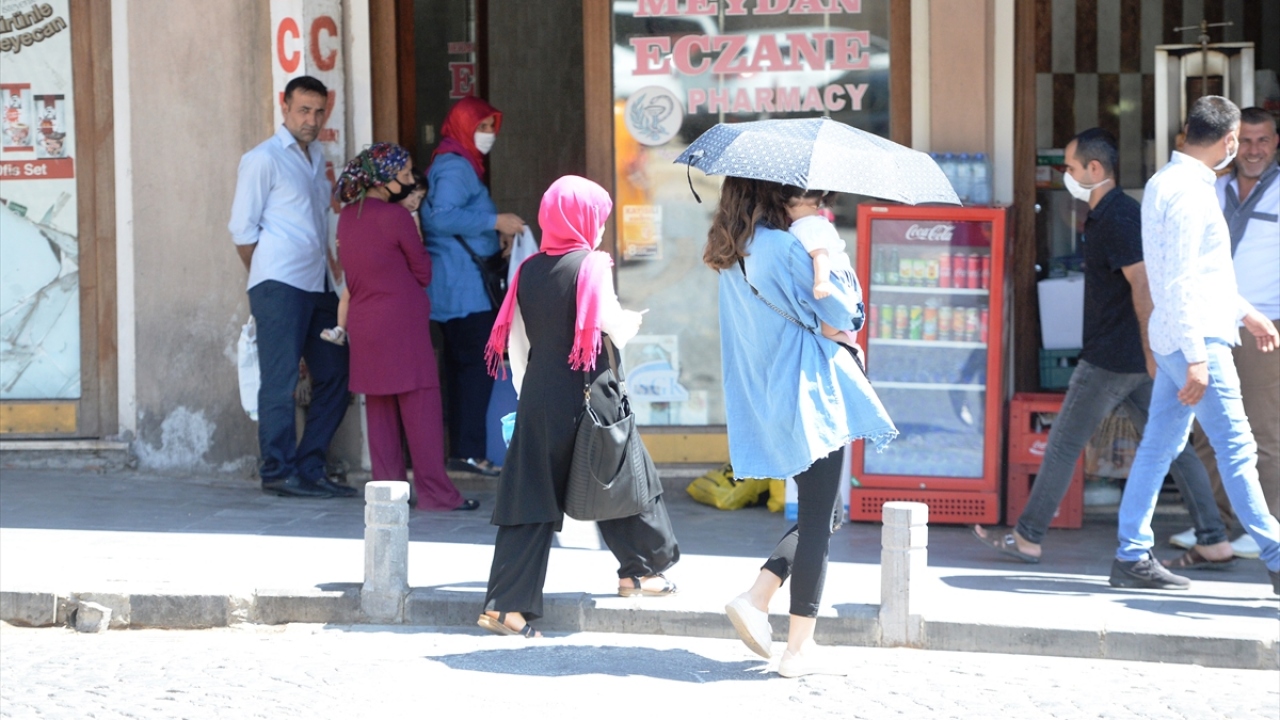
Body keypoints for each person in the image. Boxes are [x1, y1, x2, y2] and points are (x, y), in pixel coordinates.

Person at [972, 128, 1232, 567]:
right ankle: (1213, 538)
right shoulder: (1108, 214)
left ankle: (1029, 536)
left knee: (1065, 443)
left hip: (1113, 356)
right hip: (1132, 356)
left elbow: (1143, 282)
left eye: (1071, 168)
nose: (1067, 176)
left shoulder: (1117, 216)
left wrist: (1151, 352)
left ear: (1094, 169)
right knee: (1172, 443)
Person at [706, 177, 896, 677]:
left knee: (826, 512)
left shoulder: (735, 250)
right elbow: (846, 312)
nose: (817, 205)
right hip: (807, 394)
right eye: (811, 197)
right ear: (776, 195)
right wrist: (829, 249)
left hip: (765, 392)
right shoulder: (789, 248)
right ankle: (798, 647)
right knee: (818, 522)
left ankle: (758, 595)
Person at [476, 175, 679, 638]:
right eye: (600, 218)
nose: (602, 227)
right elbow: (610, 327)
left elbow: (518, 344)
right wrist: (631, 320)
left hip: (541, 393)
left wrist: (532, 398)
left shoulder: (526, 271)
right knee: (622, 474)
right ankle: (644, 570)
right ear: (585, 219)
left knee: (530, 498)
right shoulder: (592, 264)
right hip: (591, 388)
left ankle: (506, 605)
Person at [1112, 96, 1279, 594]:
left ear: (1188, 131)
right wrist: (1199, 357)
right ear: (1229, 142)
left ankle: (1130, 553)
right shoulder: (1190, 192)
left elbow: (1197, 275)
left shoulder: (1171, 182)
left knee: (1160, 446)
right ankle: (1275, 555)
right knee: (1237, 450)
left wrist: (1246, 314)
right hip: (1194, 338)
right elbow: (1183, 280)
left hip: (1182, 335)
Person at [332, 144, 477, 512]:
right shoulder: (396, 217)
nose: (411, 181)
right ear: (385, 177)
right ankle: (437, 493)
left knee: (379, 412)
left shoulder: (347, 217)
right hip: (402, 324)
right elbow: (423, 272)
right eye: (407, 174)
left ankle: (388, 495)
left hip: (365, 325)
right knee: (421, 408)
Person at [228, 75, 354, 499]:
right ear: (284, 107)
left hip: (318, 284)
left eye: (319, 111)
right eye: (303, 110)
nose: (312, 119)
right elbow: (242, 232)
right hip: (279, 284)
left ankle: (310, 465)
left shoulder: (316, 157)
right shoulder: (262, 159)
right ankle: (277, 471)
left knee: (337, 372)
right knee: (279, 380)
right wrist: (267, 274)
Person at [1169, 107, 1280, 561]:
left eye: (1263, 141)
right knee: (1207, 431)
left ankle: (1267, 526)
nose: (1253, 150)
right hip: (1210, 322)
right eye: (1246, 141)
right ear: (1232, 143)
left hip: (1263, 327)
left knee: (1262, 432)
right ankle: (1217, 525)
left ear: (1275, 143)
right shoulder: (1211, 187)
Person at [422, 96, 525, 477]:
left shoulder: (461, 162)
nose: (488, 134)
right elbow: (441, 218)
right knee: (474, 369)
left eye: (491, 127)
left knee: (464, 368)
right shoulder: (454, 166)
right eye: (480, 127)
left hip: (459, 285)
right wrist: (494, 221)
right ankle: (469, 452)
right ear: (463, 127)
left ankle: (465, 450)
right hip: (461, 288)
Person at [322, 173, 427, 346]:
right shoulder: (384, 211)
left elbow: (417, 246)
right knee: (348, 293)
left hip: (397, 280)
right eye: (411, 194)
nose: (415, 201)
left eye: (420, 197)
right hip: (374, 276)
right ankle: (340, 328)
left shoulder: (408, 215)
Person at [786, 190, 859, 348]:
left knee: (829, 331)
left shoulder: (806, 226)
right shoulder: (818, 222)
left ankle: (852, 350)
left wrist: (821, 281)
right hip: (842, 279)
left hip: (832, 280)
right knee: (834, 325)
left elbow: (821, 255)